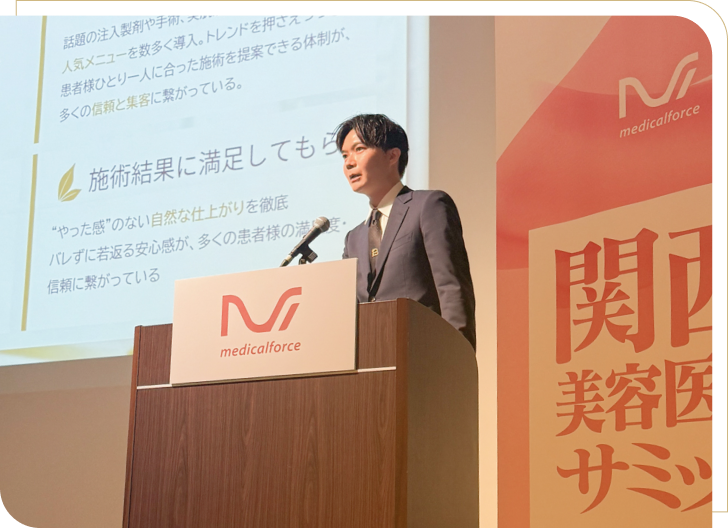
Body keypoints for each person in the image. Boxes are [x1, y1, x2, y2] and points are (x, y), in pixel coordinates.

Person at [336, 114, 476, 350]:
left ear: (392, 155)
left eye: (359, 149)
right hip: (372, 360)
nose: (349, 163)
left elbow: (451, 287)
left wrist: (458, 357)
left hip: (424, 353)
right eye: (344, 155)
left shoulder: (428, 205)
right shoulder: (353, 238)